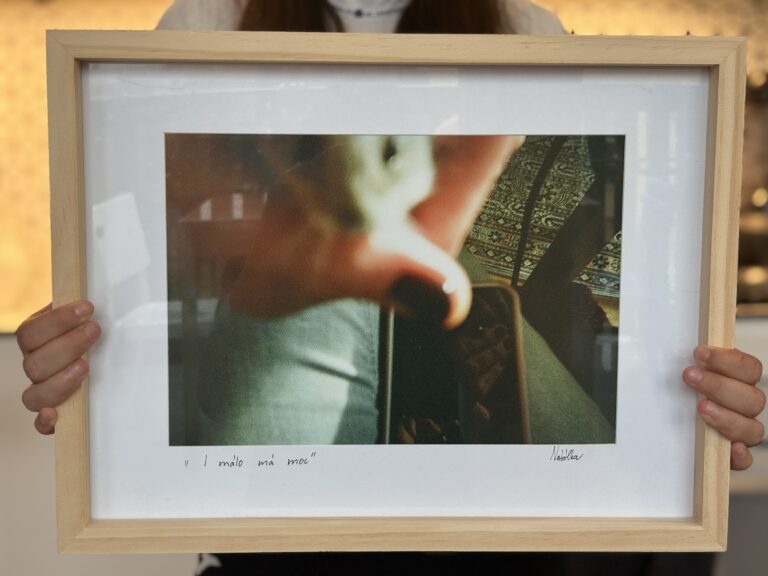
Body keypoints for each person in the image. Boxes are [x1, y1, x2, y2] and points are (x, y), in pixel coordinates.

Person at [16, 0, 765, 574]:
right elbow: (142, 261)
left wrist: (678, 415)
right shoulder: (207, 22)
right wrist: (97, 361)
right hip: (281, 505)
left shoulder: (521, 25)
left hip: (496, 525)